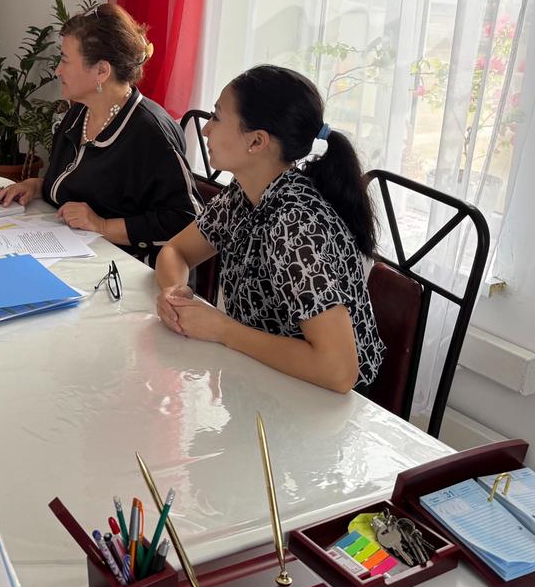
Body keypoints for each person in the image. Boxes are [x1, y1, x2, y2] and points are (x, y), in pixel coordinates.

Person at [153, 64, 386, 393]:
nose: (206, 130)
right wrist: (174, 293)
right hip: (263, 379)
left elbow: (338, 371)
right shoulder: (245, 194)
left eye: (217, 117)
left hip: (319, 402)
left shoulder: (295, 225)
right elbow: (176, 251)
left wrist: (222, 329)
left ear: (257, 141)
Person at [0, 3, 200, 264]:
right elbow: (86, 188)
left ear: (101, 71)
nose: (57, 70)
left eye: (65, 60)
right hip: (71, 256)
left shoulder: (151, 133)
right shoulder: (79, 113)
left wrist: (102, 226)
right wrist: (37, 186)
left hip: (125, 271)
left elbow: (188, 221)